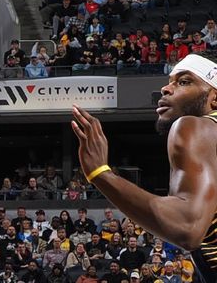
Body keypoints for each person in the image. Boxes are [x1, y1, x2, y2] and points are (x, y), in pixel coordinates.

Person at [72, 50, 217, 283]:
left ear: (214, 98)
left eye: (184, 82)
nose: (166, 89)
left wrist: (100, 173)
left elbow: (187, 227)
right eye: (169, 82)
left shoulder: (195, 127)